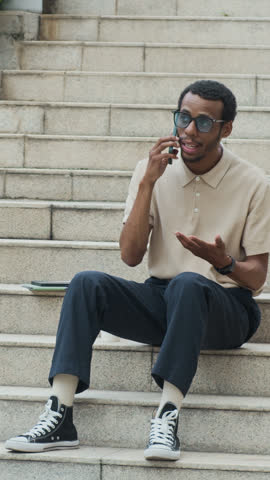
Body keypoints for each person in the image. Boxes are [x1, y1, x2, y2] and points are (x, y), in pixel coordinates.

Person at [5, 80, 270, 461]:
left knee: (189, 284)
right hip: (165, 301)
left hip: (227, 308)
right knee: (86, 284)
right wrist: (148, 181)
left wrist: (222, 261)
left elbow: (257, 278)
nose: (190, 131)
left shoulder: (254, 182)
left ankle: (167, 416)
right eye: (184, 118)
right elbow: (130, 256)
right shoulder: (152, 172)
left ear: (226, 129)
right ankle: (60, 414)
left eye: (204, 123)